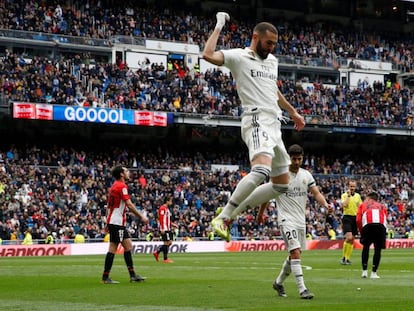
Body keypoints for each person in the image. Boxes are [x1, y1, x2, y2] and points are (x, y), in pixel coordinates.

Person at [202, 12, 305, 242]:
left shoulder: (272, 61)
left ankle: (228, 215)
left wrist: (293, 112)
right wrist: (219, 25)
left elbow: (272, 90)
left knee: (281, 186)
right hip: (256, 120)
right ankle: (223, 217)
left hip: (275, 124)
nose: (271, 48)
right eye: (268, 43)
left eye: (275, 44)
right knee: (261, 171)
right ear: (255, 37)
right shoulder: (239, 56)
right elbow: (207, 54)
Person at [257, 144, 332, 299]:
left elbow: (316, 193)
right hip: (286, 219)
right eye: (294, 159)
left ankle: (278, 283)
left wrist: (325, 204)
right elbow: (267, 195)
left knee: (294, 256)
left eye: (299, 158)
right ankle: (302, 289)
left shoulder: (306, 175)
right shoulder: (280, 175)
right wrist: (260, 214)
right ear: (288, 158)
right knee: (295, 252)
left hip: (300, 221)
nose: (296, 161)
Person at [101, 165, 149, 284]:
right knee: (120, 247)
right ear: (122, 174)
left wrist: (107, 222)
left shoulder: (113, 186)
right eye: (126, 171)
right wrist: (141, 216)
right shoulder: (122, 186)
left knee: (122, 247)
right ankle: (110, 277)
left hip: (114, 221)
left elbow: (109, 206)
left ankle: (127, 275)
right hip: (117, 222)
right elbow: (129, 205)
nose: (128, 172)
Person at [356, 191, 388, 279]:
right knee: (378, 250)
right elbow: (385, 218)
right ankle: (374, 273)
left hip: (368, 225)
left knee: (365, 247)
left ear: (369, 198)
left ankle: (364, 271)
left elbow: (358, 219)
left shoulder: (363, 205)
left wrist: (361, 231)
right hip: (380, 226)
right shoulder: (382, 206)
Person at [340, 180, 362, 265]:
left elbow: (360, 206)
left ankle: (347, 258)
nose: (352, 188)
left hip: (355, 218)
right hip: (347, 217)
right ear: (348, 187)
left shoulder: (358, 196)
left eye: (353, 186)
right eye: (351, 186)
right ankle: (344, 258)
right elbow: (344, 205)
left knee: (352, 239)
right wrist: (348, 196)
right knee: (348, 237)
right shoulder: (344, 195)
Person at [153, 196, 177, 263]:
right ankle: (165, 258)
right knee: (168, 242)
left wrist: (172, 224)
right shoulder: (162, 208)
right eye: (170, 201)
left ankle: (157, 253)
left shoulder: (167, 209)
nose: (171, 202)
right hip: (165, 228)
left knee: (168, 243)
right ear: (167, 201)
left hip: (168, 228)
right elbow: (161, 218)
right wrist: (162, 228)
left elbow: (167, 219)